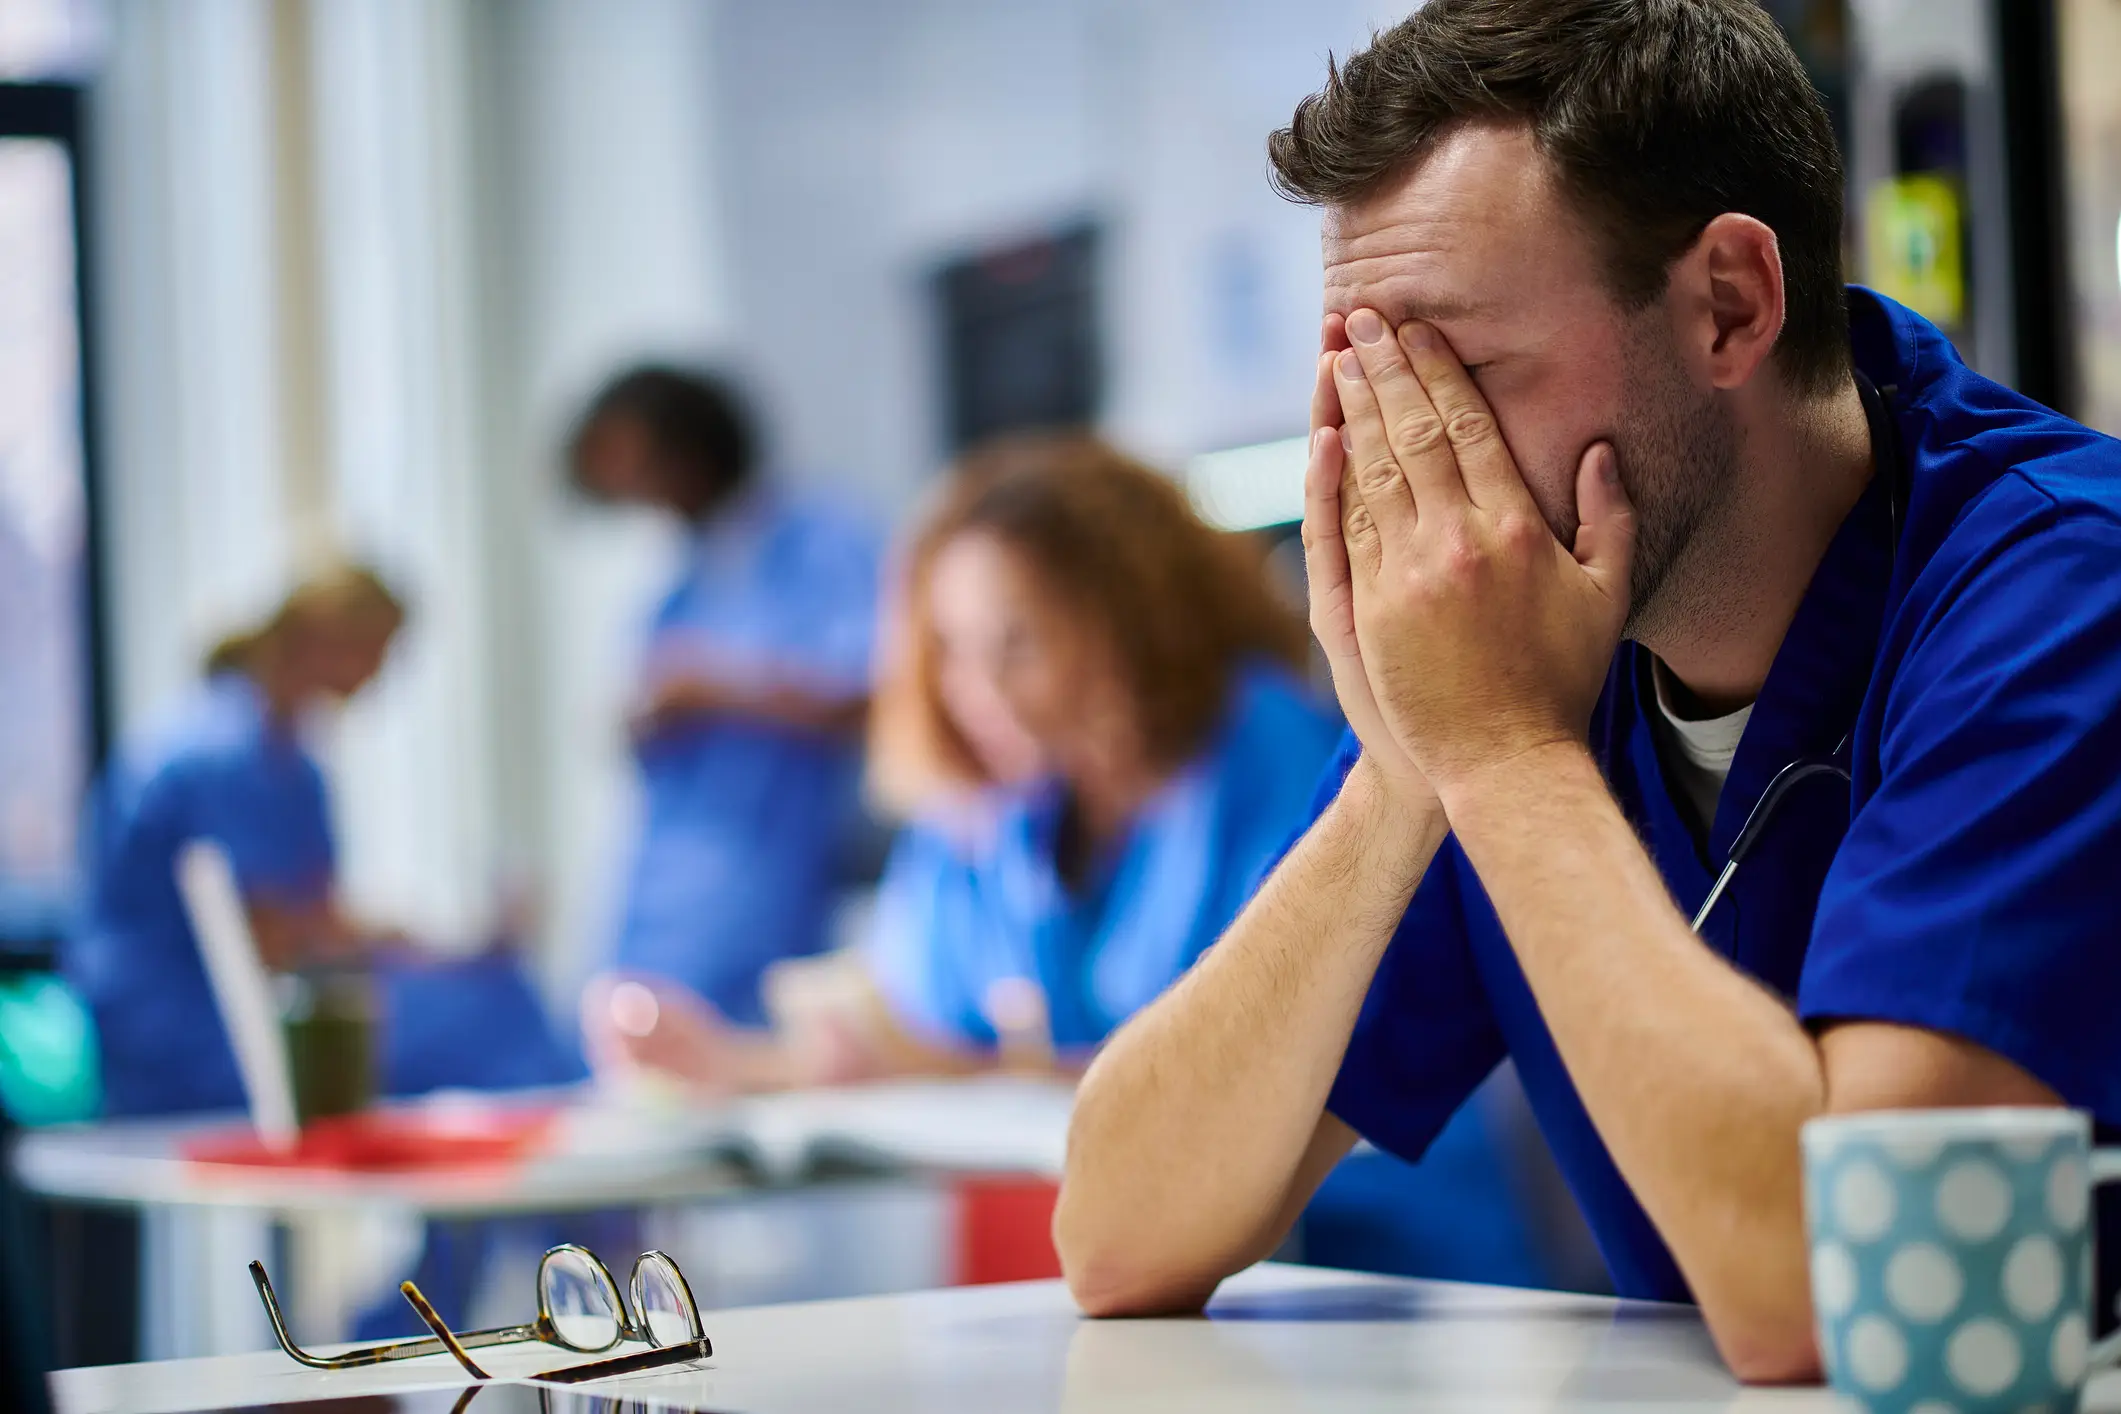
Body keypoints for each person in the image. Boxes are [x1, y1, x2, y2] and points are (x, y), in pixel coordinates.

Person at [1054, 0, 2121, 1383]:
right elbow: (1123, 1228)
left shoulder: (2062, 598)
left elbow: (1841, 1293)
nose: (1393, 464)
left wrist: (1499, 754)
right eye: (1363, 385)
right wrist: (1399, 772)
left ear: (1728, 304)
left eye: (1454, 374)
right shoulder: (1520, 631)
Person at [584, 434, 1345, 1086]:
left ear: (1137, 625)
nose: (977, 694)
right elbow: (910, 1034)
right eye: (951, 650)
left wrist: (990, 1075)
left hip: (1341, 1234)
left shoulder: (1266, 750)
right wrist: (730, 1065)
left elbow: (1264, 1066)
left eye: (1017, 645)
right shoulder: (999, 809)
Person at [66, 565, 578, 1118]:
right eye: (377, 650)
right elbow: (270, 942)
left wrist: (439, 952)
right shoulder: (222, 753)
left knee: (489, 993)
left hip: (238, 1010)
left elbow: (318, 918)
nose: (381, 673)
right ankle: (558, 1199)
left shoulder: (291, 760)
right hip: (184, 1034)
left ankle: (519, 1197)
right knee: (495, 1014)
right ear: (320, 640)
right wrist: (414, 948)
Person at [568, 366, 883, 1027]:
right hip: (664, 884)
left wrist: (714, 688)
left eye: (643, 469)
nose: (641, 497)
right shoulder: (682, 578)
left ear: (691, 444)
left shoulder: (822, 540)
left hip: (768, 878)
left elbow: (869, 694)